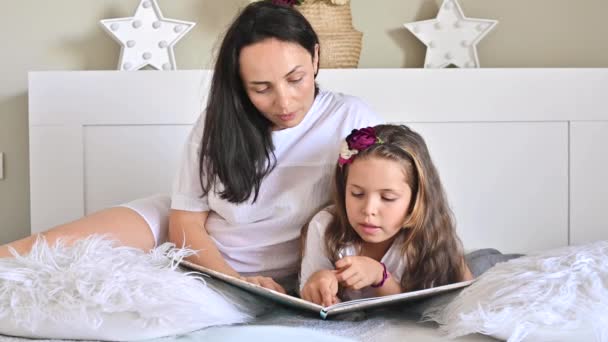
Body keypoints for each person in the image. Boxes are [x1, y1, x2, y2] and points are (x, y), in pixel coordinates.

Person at [0, 1, 382, 295]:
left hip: (250, 264)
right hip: (184, 232)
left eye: (295, 79)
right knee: (32, 253)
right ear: (239, 84)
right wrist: (236, 282)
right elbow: (185, 220)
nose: (284, 102)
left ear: (315, 57)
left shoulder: (351, 117)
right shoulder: (218, 123)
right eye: (261, 88)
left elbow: (378, 210)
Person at [299, 125, 473, 306]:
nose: (369, 209)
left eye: (388, 198)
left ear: (416, 199)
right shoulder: (324, 226)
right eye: (357, 194)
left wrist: (380, 277)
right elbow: (309, 294)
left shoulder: (432, 236)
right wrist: (320, 284)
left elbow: (468, 297)